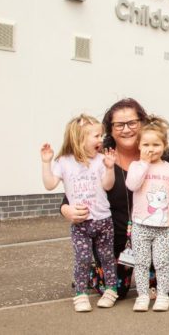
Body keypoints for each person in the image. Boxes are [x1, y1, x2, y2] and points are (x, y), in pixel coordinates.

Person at [60, 98, 169, 300]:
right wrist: (68, 211)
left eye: (132, 123)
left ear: (143, 123)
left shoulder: (161, 153)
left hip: (154, 227)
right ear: (110, 128)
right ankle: (92, 274)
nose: (126, 129)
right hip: (115, 234)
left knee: (167, 285)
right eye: (119, 125)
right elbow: (70, 196)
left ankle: (157, 283)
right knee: (117, 291)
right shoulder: (98, 155)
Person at [41, 114, 118, 312]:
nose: (101, 140)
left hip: (103, 219)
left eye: (101, 135)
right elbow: (49, 185)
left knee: (107, 257)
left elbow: (108, 186)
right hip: (81, 223)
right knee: (82, 259)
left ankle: (111, 289)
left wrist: (109, 168)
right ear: (79, 139)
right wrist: (46, 162)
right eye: (96, 136)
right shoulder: (64, 162)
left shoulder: (102, 160)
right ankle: (81, 294)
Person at [126, 116, 169, 312]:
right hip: (140, 224)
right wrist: (144, 164)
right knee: (141, 263)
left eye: (156, 144)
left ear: (164, 145)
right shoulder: (136, 166)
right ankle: (143, 295)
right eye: (146, 144)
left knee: (162, 262)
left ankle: (163, 295)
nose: (151, 149)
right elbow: (132, 185)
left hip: (163, 227)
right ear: (138, 145)